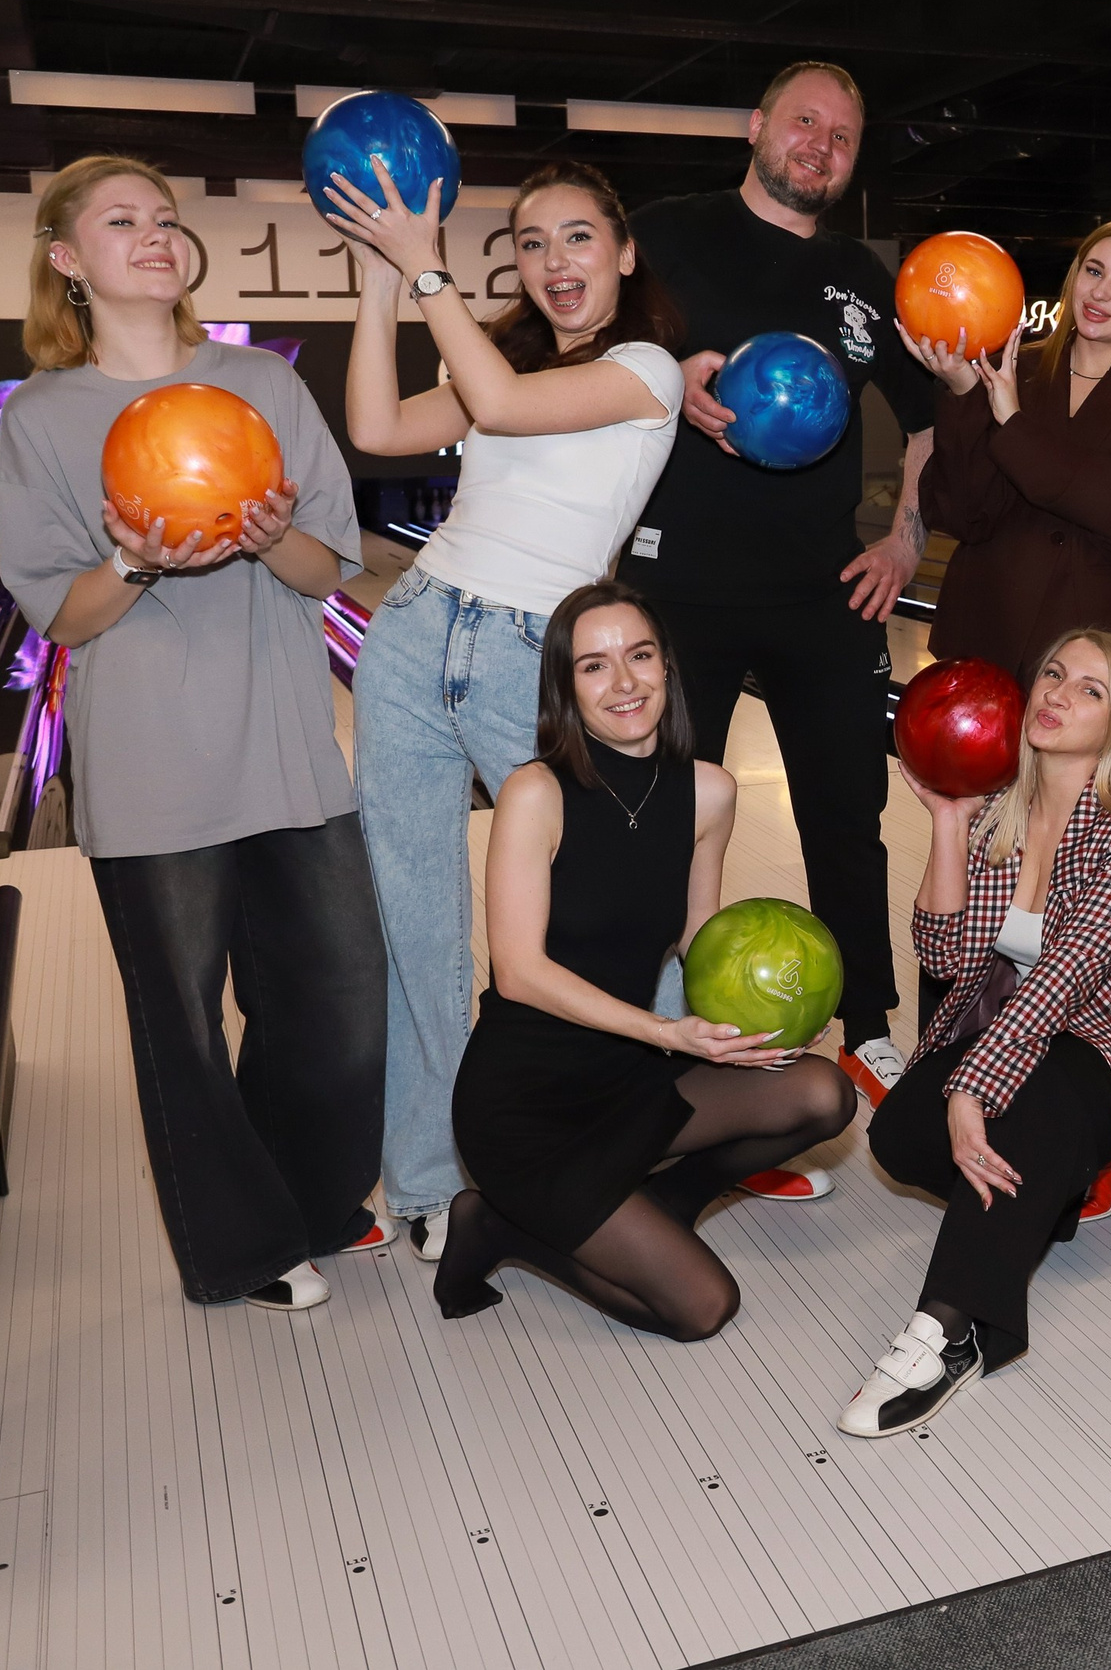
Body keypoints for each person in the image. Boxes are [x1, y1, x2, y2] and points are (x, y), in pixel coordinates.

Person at [328, 161, 797, 1266]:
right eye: (532, 245)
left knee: (624, 892)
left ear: (625, 253)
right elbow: (376, 426)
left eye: (578, 237)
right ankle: (435, 1178)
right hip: (412, 635)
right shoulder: (513, 355)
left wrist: (423, 264)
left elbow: (493, 405)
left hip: (532, 657)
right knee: (419, 928)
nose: (555, 264)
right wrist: (379, 284)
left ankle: (685, 1117)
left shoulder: (640, 369)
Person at [0, 155, 385, 1312]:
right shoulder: (44, 417)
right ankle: (240, 1249)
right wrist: (134, 557)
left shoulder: (261, 382)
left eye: (165, 218)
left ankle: (311, 1200)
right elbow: (63, 614)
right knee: (184, 1032)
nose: (155, 235)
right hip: (151, 775)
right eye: (123, 221)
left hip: (287, 757)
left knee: (343, 1008)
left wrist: (268, 538)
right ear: (68, 258)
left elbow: (336, 569)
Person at [839, 630, 1111, 1436]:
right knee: (897, 1137)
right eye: (1054, 673)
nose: (1058, 693)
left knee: (1026, 1111)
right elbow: (947, 955)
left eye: (1090, 690)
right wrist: (950, 822)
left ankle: (947, 1333)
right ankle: (1052, 1183)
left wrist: (970, 1087)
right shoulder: (1000, 806)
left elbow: (1062, 979)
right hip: (1015, 1035)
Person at [622, 61, 937, 1104]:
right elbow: (580, 348)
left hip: (823, 588)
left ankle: (871, 1024)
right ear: (757, 125)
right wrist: (672, 381)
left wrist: (904, 539)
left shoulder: (860, 274)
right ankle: (658, 1022)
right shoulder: (668, 230)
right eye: (804, 121)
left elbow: (931, 416)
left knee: (847, 814)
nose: (819, 144)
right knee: (664, 819)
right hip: (683, 585)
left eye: (842, 136)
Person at [434, 583, 857, 1330]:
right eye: (594, 667)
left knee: (823, 1094)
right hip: (527, 1103)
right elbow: (519, 973)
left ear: (667, 665)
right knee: (702, 1308)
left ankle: (662, 1207)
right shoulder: (537, 793)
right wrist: (668, 1033)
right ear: (566, 688)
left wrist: (777, 1015)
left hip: (627, 1077)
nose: (624, 682)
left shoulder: (710, 792)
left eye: (639, 655)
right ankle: (499, 1225)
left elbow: (697, 937)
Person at [905, 217, 1111, 690]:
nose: (1099, 293)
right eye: (1093, 272)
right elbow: (964, 514)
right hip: (987, 634)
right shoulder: (1009, 369)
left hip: (1100, 654)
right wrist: (961, 393)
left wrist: (1012, 425)